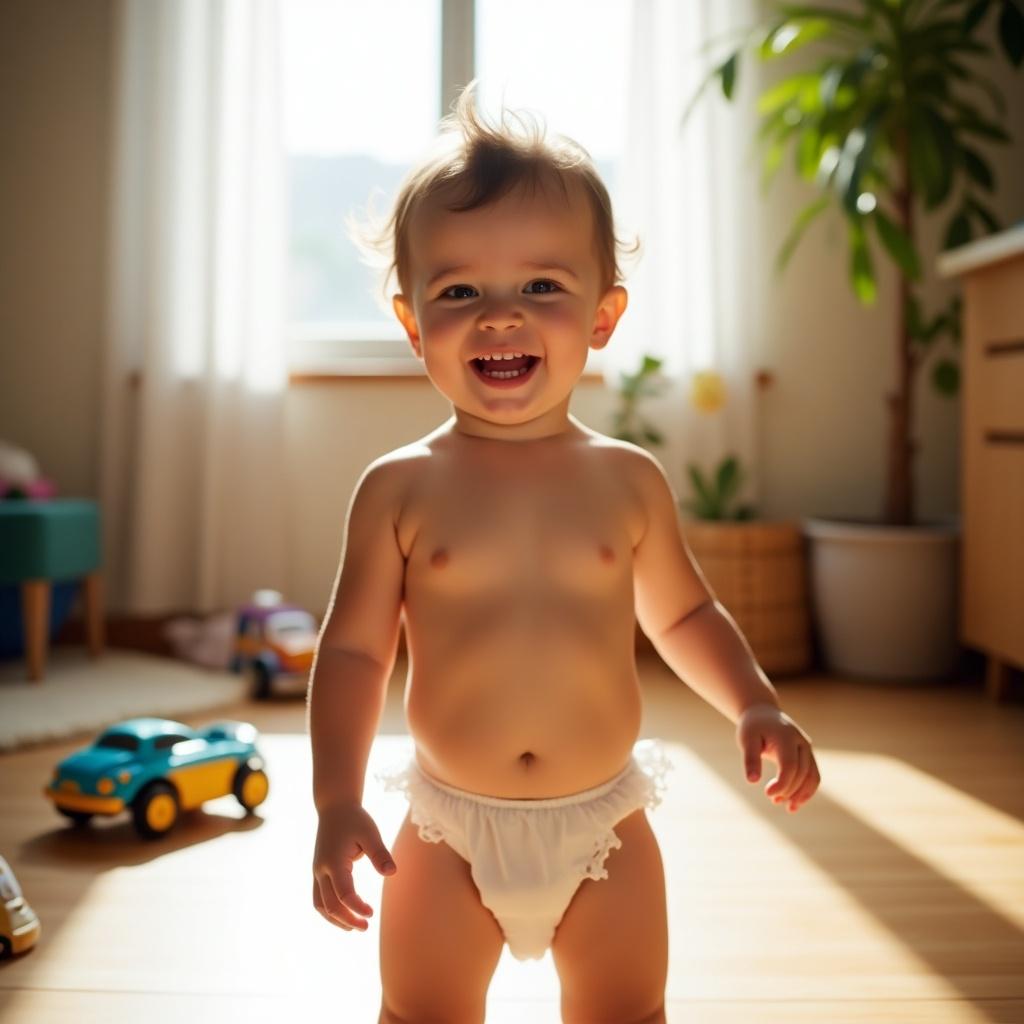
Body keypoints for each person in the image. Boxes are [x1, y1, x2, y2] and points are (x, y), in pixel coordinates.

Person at [308, 82, 821, 1024]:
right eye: (459, 291)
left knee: (627, 1009)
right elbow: (350, 653)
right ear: (414, 325)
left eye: (541, 285)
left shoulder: (627, 481)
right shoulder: (399, 488)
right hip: (446, 829)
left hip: (604, 830)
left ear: (603, 317)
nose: (500, 315)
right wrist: (336, 801)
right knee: (418, 1010)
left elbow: (683, 615)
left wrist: (753, 703)